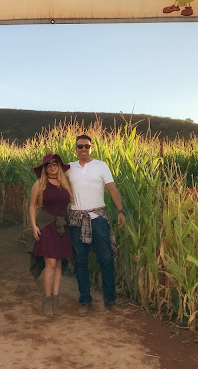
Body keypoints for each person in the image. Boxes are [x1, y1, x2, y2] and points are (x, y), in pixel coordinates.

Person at [67, 135, 126, 316]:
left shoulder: (101, 166)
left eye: (87, 146)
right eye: (80, 146)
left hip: (98, 218)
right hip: (76, 219)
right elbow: (53, 181)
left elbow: (112, 189)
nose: (83, 149)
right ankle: (85, 300)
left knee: (106, 259)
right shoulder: (68, 167)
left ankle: (110, 300)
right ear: (75, 149)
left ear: (91, 148)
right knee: (81, 262)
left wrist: (120, 211)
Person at [29, 153, 73, 317]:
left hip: (62, 227)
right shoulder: (40, 184)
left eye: (55, 163)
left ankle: (56, 299)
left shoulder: (66, 184)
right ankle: (47, 301)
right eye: (48, 164)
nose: (52, 166)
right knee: (51, 264)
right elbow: (32, 206)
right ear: (44, 168)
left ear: (59, 166)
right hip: (46, 226)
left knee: (59, 264)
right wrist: (33, 226)